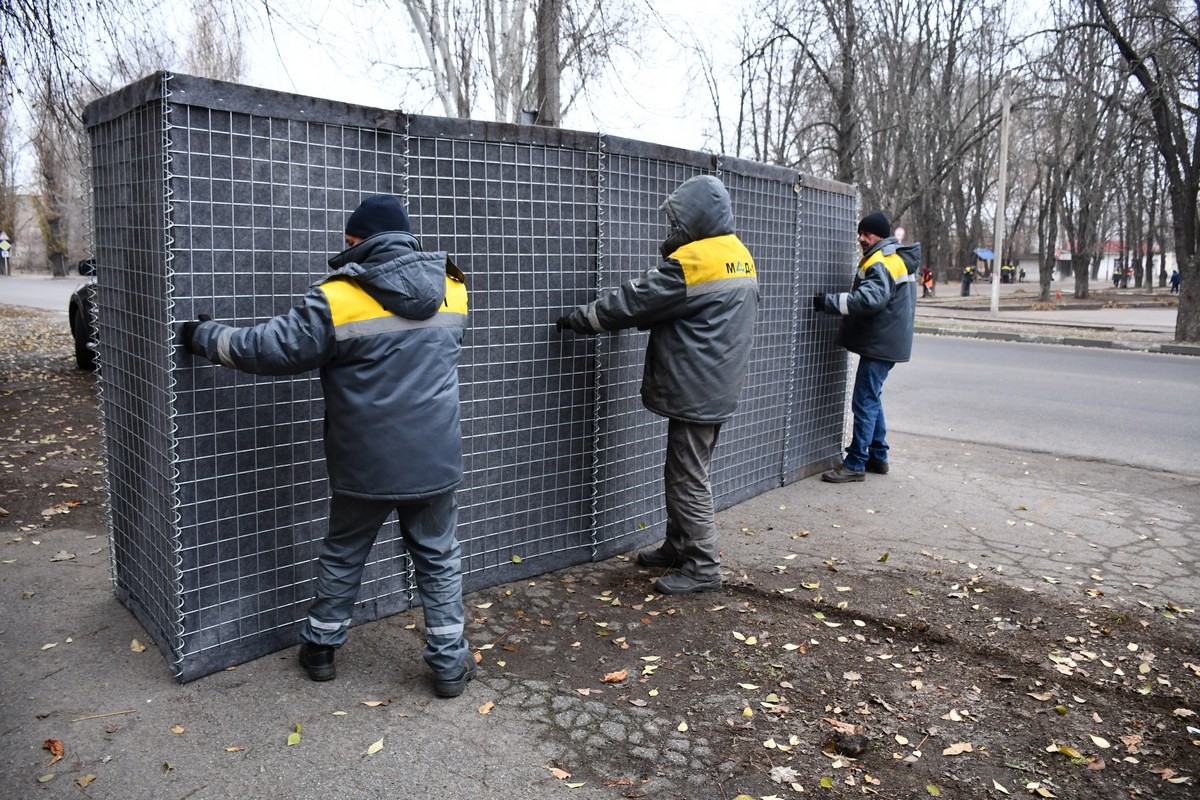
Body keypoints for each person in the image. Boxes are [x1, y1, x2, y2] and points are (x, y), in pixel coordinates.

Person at [178, 195, 475, 697]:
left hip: (366, 464)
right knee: (439, 558)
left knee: (344, 553)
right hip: (435, 457)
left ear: (356, 242)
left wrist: (204, 334)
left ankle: (319, 649)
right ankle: (449, 667)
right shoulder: (453, 288)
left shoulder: (339, 297)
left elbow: (265, 349)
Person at [556, 175, 758, 595]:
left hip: (697, 386)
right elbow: (685, 308)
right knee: (684, 469)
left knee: (687, 476)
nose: (671, 229)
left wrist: (581, 319)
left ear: (697, 217)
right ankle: (679, 545)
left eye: (677, 220)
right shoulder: (737, 253)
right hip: (717, 383)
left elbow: (636, 299)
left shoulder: (695, 261)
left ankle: (703, 567)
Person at [813, 211, 917, 483]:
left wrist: (830, 302)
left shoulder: (881, 261)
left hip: (882, 344)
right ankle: (878, 457)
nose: (861, 238)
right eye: (860, 233)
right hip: (888, 342)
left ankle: (856, 462)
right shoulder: (893, 259)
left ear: (879, 235)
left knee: (863, 400)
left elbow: (870, 300)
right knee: (872, 397)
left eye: (866, 233)